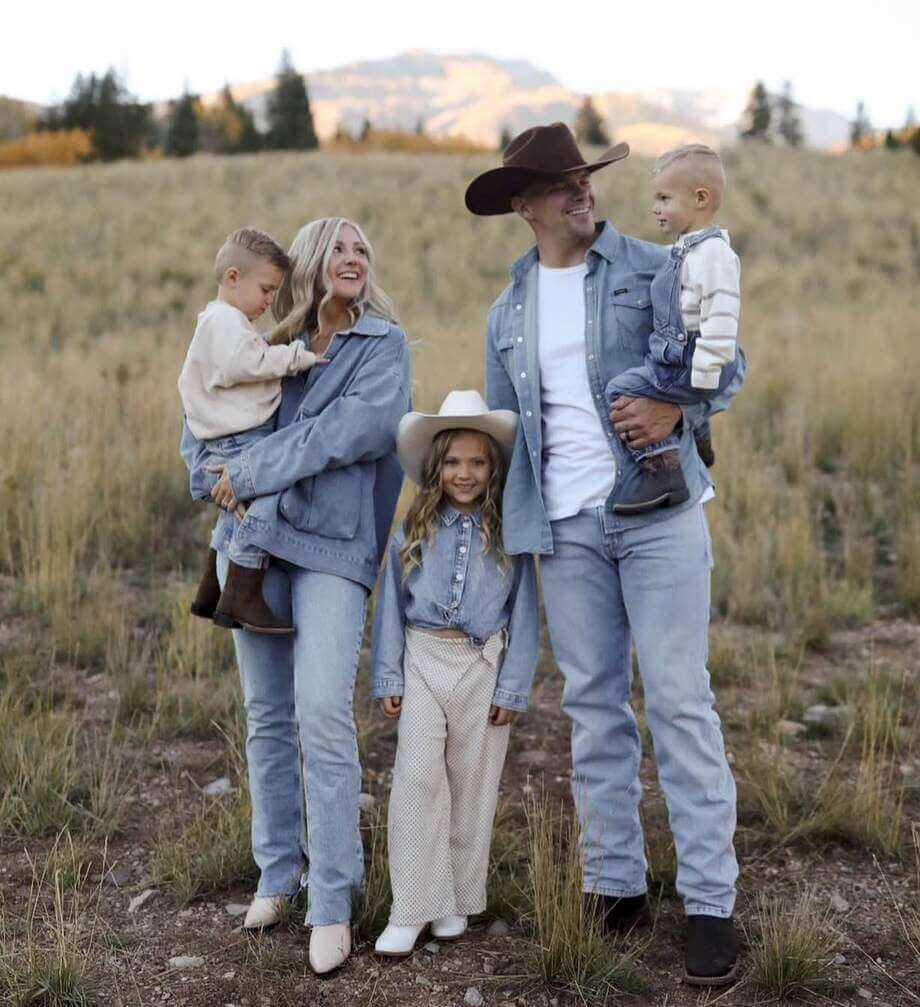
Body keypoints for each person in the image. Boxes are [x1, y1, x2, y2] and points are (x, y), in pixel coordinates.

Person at [466, 123, 745, 986]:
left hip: (659, 516)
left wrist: (676, 414)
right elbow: (505, 433)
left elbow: (726, 370)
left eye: (585, 177)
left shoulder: (654, 268)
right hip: (570, 529)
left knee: (679, 701)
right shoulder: (507, 310)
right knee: (593, 707)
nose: (581, 191)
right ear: (525, 207)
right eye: (560, 185)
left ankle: (710, 904)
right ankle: (616, 886)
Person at [180, 217, 410, 975]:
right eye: (338, 246)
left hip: (336, 552)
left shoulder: (385, 348)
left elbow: (349, 434)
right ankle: (279, 872)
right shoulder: (266, 345)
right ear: (313, 262)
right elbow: (205, 410)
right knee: (266, 715)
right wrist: (205, 473)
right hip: (260, 546)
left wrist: (245, 474)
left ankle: (333, 896)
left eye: (362, 248)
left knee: (319, 709)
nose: (354, 257)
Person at [370, 391, 539, 957]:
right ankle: (411, 905)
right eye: (452, 462)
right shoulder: (411, 529)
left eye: (477, 462)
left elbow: (526, 611)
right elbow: (390, 604)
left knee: (472, 784)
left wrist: (514, 684)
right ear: (434, 466)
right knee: (418, 779)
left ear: (493, 469)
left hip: (483, 664)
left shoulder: (512, 536)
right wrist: (389, 675)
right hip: (423, 658)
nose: (464, 474)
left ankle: (456, 900)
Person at [179, 227, 325, 634]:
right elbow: (244, 363)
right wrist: (294, 358)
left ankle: (213, 584)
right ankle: (243, 585)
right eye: (265, 289)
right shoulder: (224, 321)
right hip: (239, 438)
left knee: (237, 505)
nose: (268, 301)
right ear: (232, 278)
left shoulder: (226, 322)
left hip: (233, 435)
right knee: (267, 496)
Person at [605, 144, 741, 514]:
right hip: (682, 360)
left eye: (665, 198)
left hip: (693, 364)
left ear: (700, 198)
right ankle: (699, 435)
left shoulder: (714, 255)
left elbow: (722, 317)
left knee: (619, 388)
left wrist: (701, 380)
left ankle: (662, 469)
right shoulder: (687, 251)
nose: (656, 208)